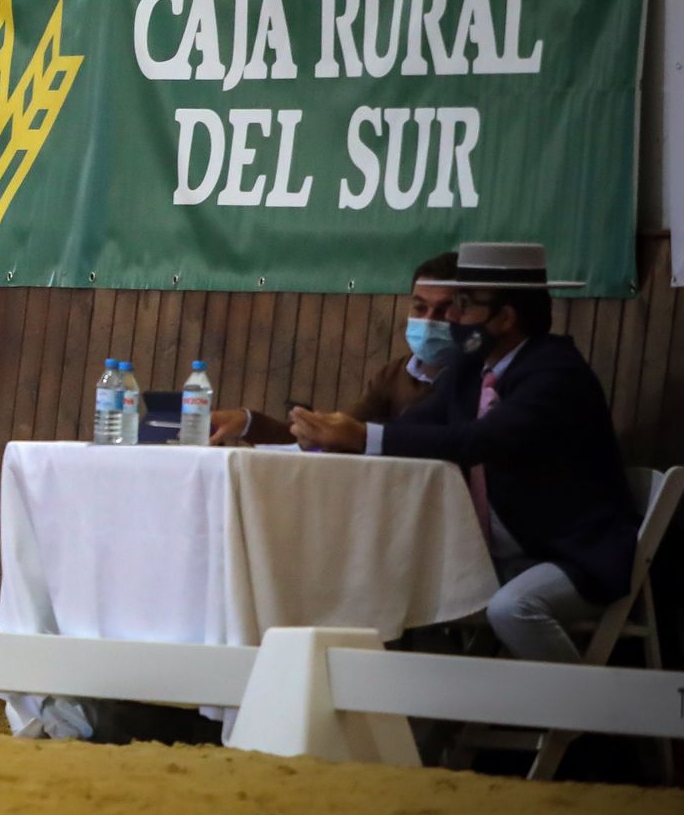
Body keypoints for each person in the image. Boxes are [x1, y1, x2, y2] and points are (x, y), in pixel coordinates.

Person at [289, 243, 637, 663]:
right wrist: (332, 437)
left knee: (514, 610)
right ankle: (433, 721)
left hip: (575, 552)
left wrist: (363, 436)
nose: (452, 318)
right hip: (500, 552)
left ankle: (584, 719)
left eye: (463, 306)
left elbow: (479, 441)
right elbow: (416, 427)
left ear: (505, 318)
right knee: (386, 583)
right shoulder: (472, 369)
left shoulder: (556, 372)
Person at [209, 252, 459, 445]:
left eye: (443, 310)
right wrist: (248, 422)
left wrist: (359, 437)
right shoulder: (395, 373)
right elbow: (329, 434)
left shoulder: (478, 379)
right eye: (419, 308)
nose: (428, 320)